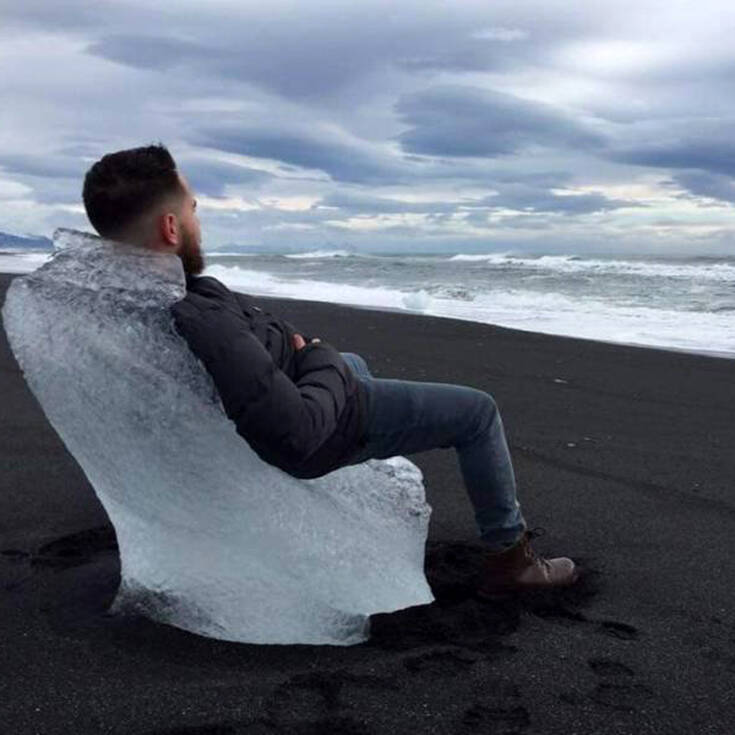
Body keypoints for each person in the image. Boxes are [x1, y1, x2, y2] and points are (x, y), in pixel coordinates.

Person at [82, 144, 578, 596]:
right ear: (171, 228)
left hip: (287, 386)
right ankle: (511, 560)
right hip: (319, 426)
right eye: (193, 209)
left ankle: (366, 500)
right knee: (477, 413)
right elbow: (297, 437)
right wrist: (321, 357)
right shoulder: (199, 316)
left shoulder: (146, 298)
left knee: (357, 365)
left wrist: (319, 362)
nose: (199, 220)